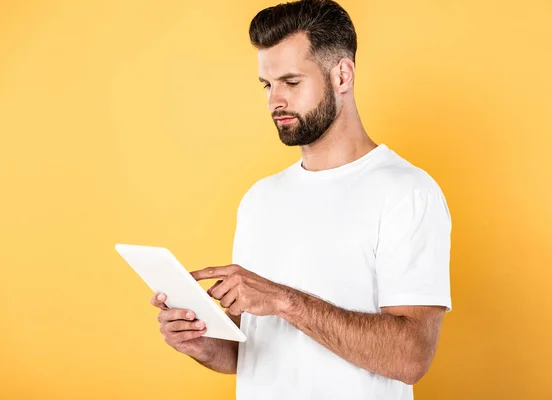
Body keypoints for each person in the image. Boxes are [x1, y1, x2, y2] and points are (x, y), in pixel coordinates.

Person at [150, 0, 452, 398]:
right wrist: (202, 344)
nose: (275, 101)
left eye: (291, 83)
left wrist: (283, 300)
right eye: (267, 85)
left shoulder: (407, 192)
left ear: (342, 75)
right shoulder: (260, 199)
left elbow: (410, 358)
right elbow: (253, 352)